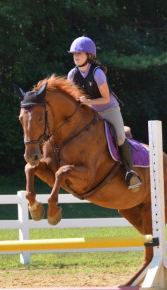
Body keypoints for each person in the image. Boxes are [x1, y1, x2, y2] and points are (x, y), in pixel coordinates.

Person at [67, 36, 141, 189]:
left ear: (90, 56)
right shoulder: (72, 75)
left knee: (120, 137)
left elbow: (106, 98)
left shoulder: (98, 73)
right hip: (90, 110)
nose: (76, 56)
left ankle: (130, 172)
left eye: (79, 54)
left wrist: (88, 102)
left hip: (108, 108)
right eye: (74, 54)